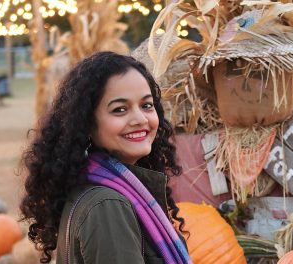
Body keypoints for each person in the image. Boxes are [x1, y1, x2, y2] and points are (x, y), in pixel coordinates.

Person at [20, 52, 192, 264]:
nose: (140, 119)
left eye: (147, 105)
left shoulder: (100, 188)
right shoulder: (107, 205)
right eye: (120, 110)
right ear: (87, 124)